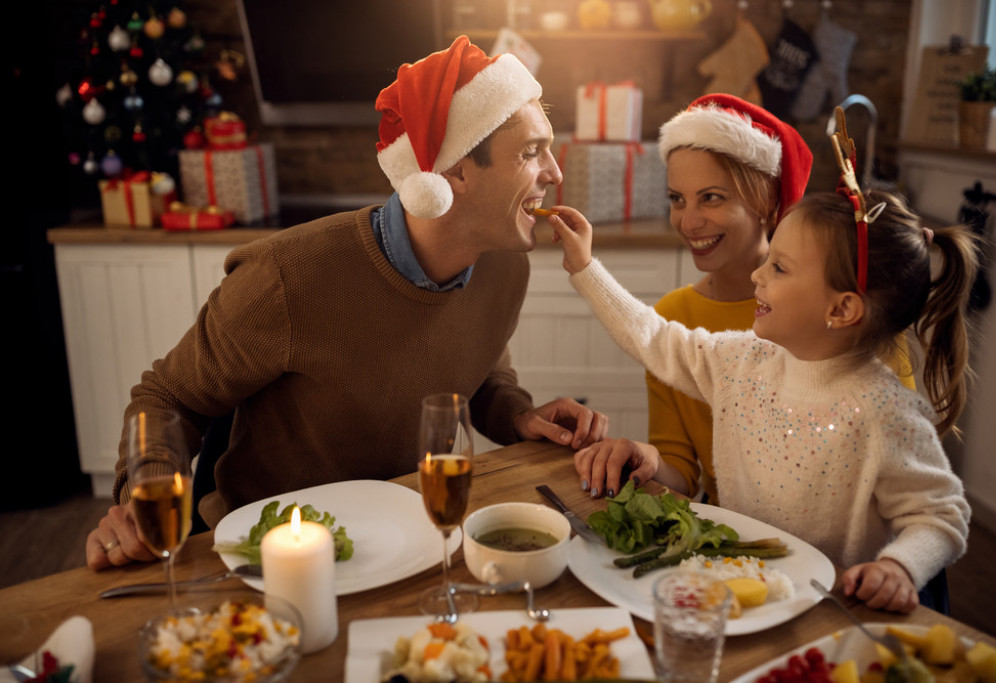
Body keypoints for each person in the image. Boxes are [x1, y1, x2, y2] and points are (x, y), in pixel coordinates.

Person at [86, 36, 608, 571]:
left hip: (412, 539)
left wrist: (519, 416)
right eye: (530, 152)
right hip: (269, 556)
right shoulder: (286, 278)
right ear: (455, 172)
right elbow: (167, 397)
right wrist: (141, 496)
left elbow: (477, 369)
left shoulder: (505, 264)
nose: (554, 172)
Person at [547, 161, 976, 612]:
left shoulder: (885, 412)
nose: (758, 276)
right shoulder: (743, 361)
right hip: (742, 595)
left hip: (828, 615)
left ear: (843, 309)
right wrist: (585, 266)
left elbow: (942, 514)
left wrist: (899, 568)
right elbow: (654, 337)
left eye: (780, 268)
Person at [571, 94, 915, 503]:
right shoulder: (675, 315)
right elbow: (682, 474)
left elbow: (901, 460)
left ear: (767, 202)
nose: (688, 220)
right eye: (677, 199)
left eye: (711, 197)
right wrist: (645, 458)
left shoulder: (842, 311)